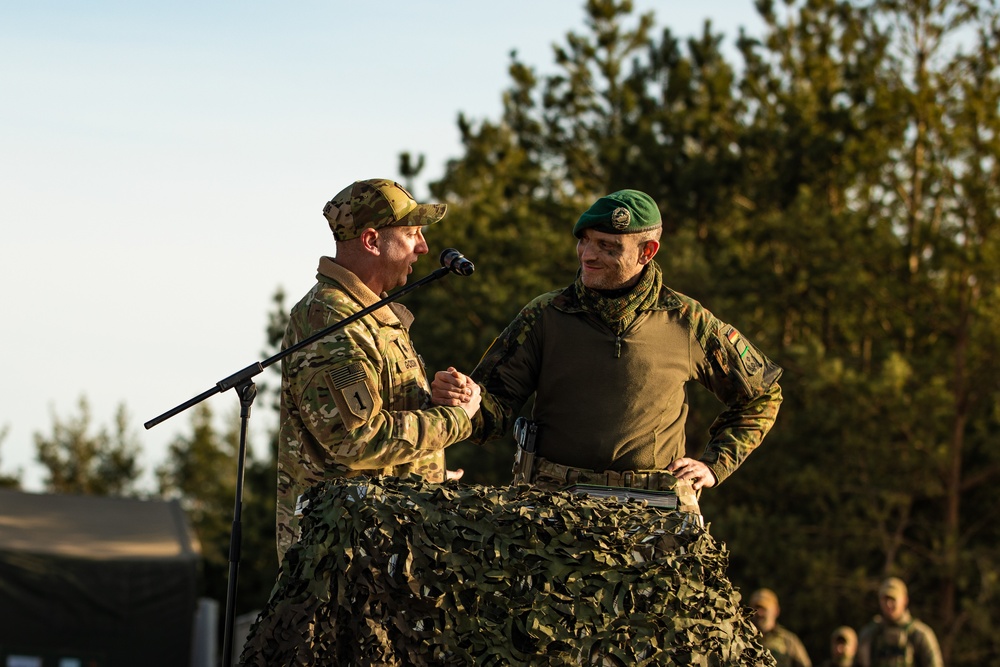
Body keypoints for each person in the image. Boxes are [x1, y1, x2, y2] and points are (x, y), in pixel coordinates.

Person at [431, 188, 782, 512]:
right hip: (554, 506)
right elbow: (491, 414)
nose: (589, 255)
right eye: (584, 242)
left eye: (607, 246)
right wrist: (466, 397)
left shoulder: (687, 319)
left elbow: (762, 395)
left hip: (653, 511)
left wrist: (714, 464)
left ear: (647, 252)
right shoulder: (545, 314)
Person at [275, 178, 481, 561]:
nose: (424, 247)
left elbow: (384, 426)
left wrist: (429, 468)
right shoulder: (331, 320)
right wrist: (455, 420)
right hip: (342, 559)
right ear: (372, 241)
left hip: (380, 545)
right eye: (411, 233)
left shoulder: (370, 314)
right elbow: (358, 438)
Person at [856, 577, 944, 667]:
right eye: (885, 599)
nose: (888, 604)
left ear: (905, 600)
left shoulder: (920, 634)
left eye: (893, 599)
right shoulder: (870, 634)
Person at [748, 588, 813, 667]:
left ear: (776, 611)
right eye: (755, 609)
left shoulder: (789, 641)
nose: (759, 613)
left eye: (764, 609)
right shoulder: (742, 638)